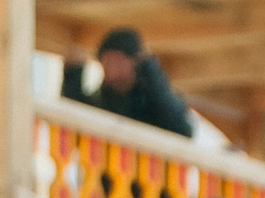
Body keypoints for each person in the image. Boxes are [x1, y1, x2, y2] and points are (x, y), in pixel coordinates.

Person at [60, 28, 194, 139]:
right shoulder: (101, 100)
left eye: (115, 60)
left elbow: (181, 130)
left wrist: (150, 74)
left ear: (132, 61)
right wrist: (73, 75)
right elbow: (73, 125)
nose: (107, 66)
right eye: (104, 60)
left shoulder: (152, 100)